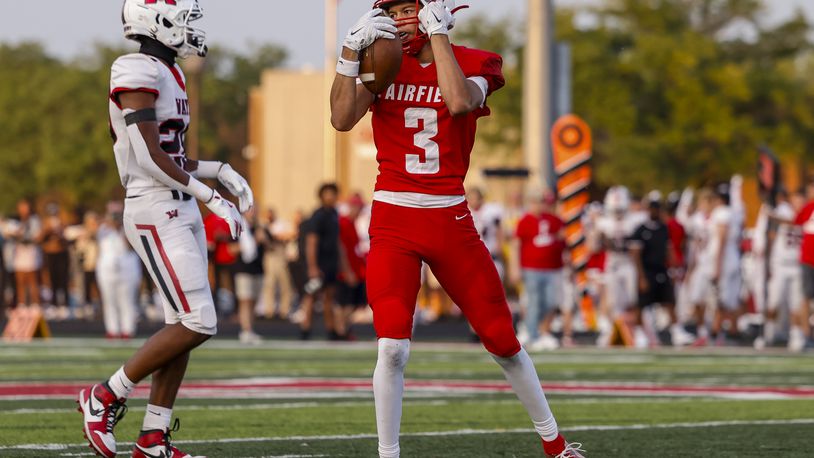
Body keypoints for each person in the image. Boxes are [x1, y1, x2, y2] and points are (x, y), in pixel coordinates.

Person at [330, 1, 584, 457]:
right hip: (394, 216)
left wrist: (440, 38)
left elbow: (459, 101)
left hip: (450, 215)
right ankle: (389, 454)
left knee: (503, 341)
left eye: (409, 8)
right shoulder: (386, 61)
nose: (401, 19)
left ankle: (555, 443)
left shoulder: (475, 60)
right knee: (392, 348)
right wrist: (350, 52)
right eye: (393, 10)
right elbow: (341, 118)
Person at [77, 2, 251, 457]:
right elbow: (148, 156)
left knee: (183, 322)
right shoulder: (133, 67)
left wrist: (219, 170)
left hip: (177, 206)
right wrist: (211, 196)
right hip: (154, 209)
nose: (193, 28)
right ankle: (105, 394)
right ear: (156, 22)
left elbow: (171, 157)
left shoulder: (169, 71)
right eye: (186, 19)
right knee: (199, 321)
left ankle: (153, 438)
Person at [629, 195, 694, 347]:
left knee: (669, 302)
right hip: (647, 271)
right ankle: (639, 334)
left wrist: (674, 268)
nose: (655, 211)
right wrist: (640, 277)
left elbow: (668, 249)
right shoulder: (640, 230)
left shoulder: (664, 228)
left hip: (661, 270)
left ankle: (677, 332)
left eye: (657, 208)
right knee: (642, 304)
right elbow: (635, 255)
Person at [298, 183, 355, 340]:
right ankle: (305, 329)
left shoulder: (334, 215)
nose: (330, 197)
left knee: (330, 297)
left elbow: (338, 243)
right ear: (321, 196)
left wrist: (346, 268)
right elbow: (311, 242)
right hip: (319, 263)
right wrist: (312, 266)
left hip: (331, 263)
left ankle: (331, 330)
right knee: (311, 296)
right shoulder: (318, 216)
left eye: (333, 194)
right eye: (327, 194)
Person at [514, 189, 567, 351]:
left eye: (541, 202)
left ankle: (531, 327)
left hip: (552, 268)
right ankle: (533, 335)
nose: (539, 205)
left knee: (551, 301)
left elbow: (562, 237)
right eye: (536, 202)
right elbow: (516, 244)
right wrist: (515, 268)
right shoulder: (524, 220)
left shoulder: (553, 220)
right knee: (535, 301)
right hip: (531, 268)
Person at [96, 210, 142, 339]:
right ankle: (112, 330)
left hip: (127, 269)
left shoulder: (129, 229)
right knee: (109, 301)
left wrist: (122, 229)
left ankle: (128, 330)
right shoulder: (103, 230)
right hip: (107, 270)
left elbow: (132, 246)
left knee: (127, 300)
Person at [336, 194, 369, 339]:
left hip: (355, 270)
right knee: (345, 303)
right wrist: (347, 270)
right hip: (346, 271)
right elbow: (341, 249)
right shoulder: (343, 223)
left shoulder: (351, 223)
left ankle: (344, 329)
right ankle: (340, 331)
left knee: (352, 303)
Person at [257, 207, 294, 320]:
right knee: (270, 284)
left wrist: (276, 237)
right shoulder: (263, 225)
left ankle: (285, 310)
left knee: (285, 283)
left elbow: (288, 235)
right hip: (270, 255)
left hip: (280, 254)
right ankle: (269, 310)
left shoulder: (281, 224)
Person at [233, 208, 263, 344]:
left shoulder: (259, 227)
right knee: (245, 301)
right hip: (243, 269)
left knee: (254, 302)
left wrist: (263, 239)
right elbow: (230, 248)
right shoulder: (239, 227)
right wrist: (251, 243)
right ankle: (245, 330)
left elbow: (270, 246)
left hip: (258, 269)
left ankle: (250, 329)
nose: (254, 212)